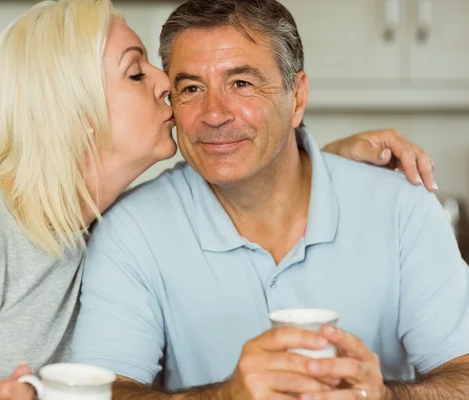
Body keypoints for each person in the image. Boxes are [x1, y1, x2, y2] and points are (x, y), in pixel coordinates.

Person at [0, 1, 434, 399]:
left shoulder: (92, 222)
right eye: (136, 72)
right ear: (79, 113)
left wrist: (322, 162)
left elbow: (259, 164)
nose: (169, 85)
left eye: (154, 67)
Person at [68, 0, 469, 399]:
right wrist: (226, 397)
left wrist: (386, 396)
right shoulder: (131, 229)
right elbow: (99, 393)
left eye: (241, 83)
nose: (213, 114)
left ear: (296, 97)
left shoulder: (402, 208)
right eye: (191, 88)